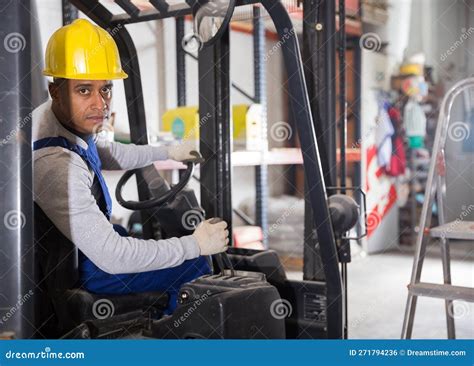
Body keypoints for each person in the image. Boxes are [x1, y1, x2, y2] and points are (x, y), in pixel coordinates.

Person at [33, 19, 228, 313]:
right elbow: (112, 256)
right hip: (78, 267)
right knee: (193, 264)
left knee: (140, 241)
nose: (101, 104)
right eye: (84, 90)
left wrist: (168, 151)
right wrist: (195, 245)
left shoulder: (58, 125)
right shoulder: (55, 164)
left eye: (106, 90)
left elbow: (109, 153)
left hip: (76, 252)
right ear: (56, 91)